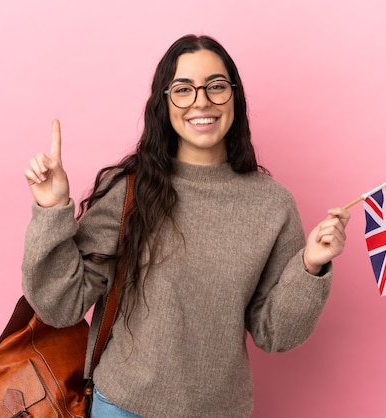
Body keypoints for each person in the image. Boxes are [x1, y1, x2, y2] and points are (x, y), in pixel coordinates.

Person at [22, 34, 350, 418]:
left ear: (235, 96)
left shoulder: (272, 205)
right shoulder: (131, 190)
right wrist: (52, 209)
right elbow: (61, 305)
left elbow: (274, 333)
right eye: (183, 89)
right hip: (122, 407)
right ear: (164, 102)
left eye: (216, 86)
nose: (201, 101)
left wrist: (310, 266)